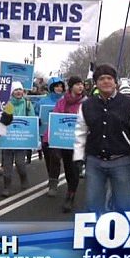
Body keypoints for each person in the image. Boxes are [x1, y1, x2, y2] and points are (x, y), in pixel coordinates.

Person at [73, 64, 130, 214]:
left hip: (122, 161)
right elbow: (80, 133)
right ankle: (96, 233)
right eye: (101, 79)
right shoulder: (87, 106)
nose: (106, 81)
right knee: (92, 204)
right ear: (96, 83)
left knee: (123, 205)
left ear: (115, 82)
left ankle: (123, 234)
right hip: (95, 161)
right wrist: (78, 157)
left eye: (109, 78)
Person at [48, 75, 87, 213]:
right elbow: (55, 120)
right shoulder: (62, 102)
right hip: (63, 142)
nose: (80, 86)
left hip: (79, 143)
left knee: (74, 171)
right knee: (67, 168)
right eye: (77, 84)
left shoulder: (86, 102)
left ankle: (70, 196)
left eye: (81, 84)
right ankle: (66, 188)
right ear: (71, 87)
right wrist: (51, 140)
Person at [1, 81, 35, 197]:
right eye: (16, 90)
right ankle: (6, 186)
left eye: (20, 89)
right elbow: (3, 121)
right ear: (12, 93)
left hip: (21, 140)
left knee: (20, 164)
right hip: (8, 140)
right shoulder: (8, 105)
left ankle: (23, 178)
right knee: (7, 165)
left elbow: (32, 120)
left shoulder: (27, 104)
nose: (19, 91)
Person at [35, 76, 65, 197]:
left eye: (61, 86)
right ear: (52, 87)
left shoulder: (65, 101)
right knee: (49, 158)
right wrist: (37, 120)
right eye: (57, 86)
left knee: (56, 157)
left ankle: (54, 184)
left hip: (59, 134)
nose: (59, 88)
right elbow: (36, 115)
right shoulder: (42, 102)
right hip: (45, 135)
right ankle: (52, 178)